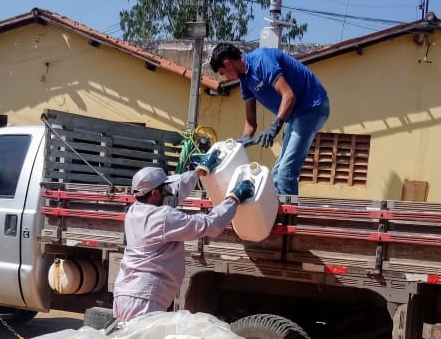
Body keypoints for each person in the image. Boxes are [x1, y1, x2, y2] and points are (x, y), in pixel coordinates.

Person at [112, 162, 254, 322]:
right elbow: (209, 225)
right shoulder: (163, 217)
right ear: (154, 193)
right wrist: (233, 199)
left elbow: (176, 192)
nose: (170, 192)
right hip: (143, 299)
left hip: (128, 292)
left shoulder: (135, 210)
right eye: (166, 189)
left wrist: (197, 173)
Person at [210, 43, 330, 197]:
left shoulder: (261, 60)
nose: (226, 77)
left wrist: (274, 126)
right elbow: (251, 123)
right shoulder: (244, 80)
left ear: (228, 63)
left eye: (223, 73)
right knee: (277, 175)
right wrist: (243, 141)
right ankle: (276, 216)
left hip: (312, 107)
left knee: (285, 173)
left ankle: (288, 219)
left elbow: (288, 95)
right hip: (295, 116)